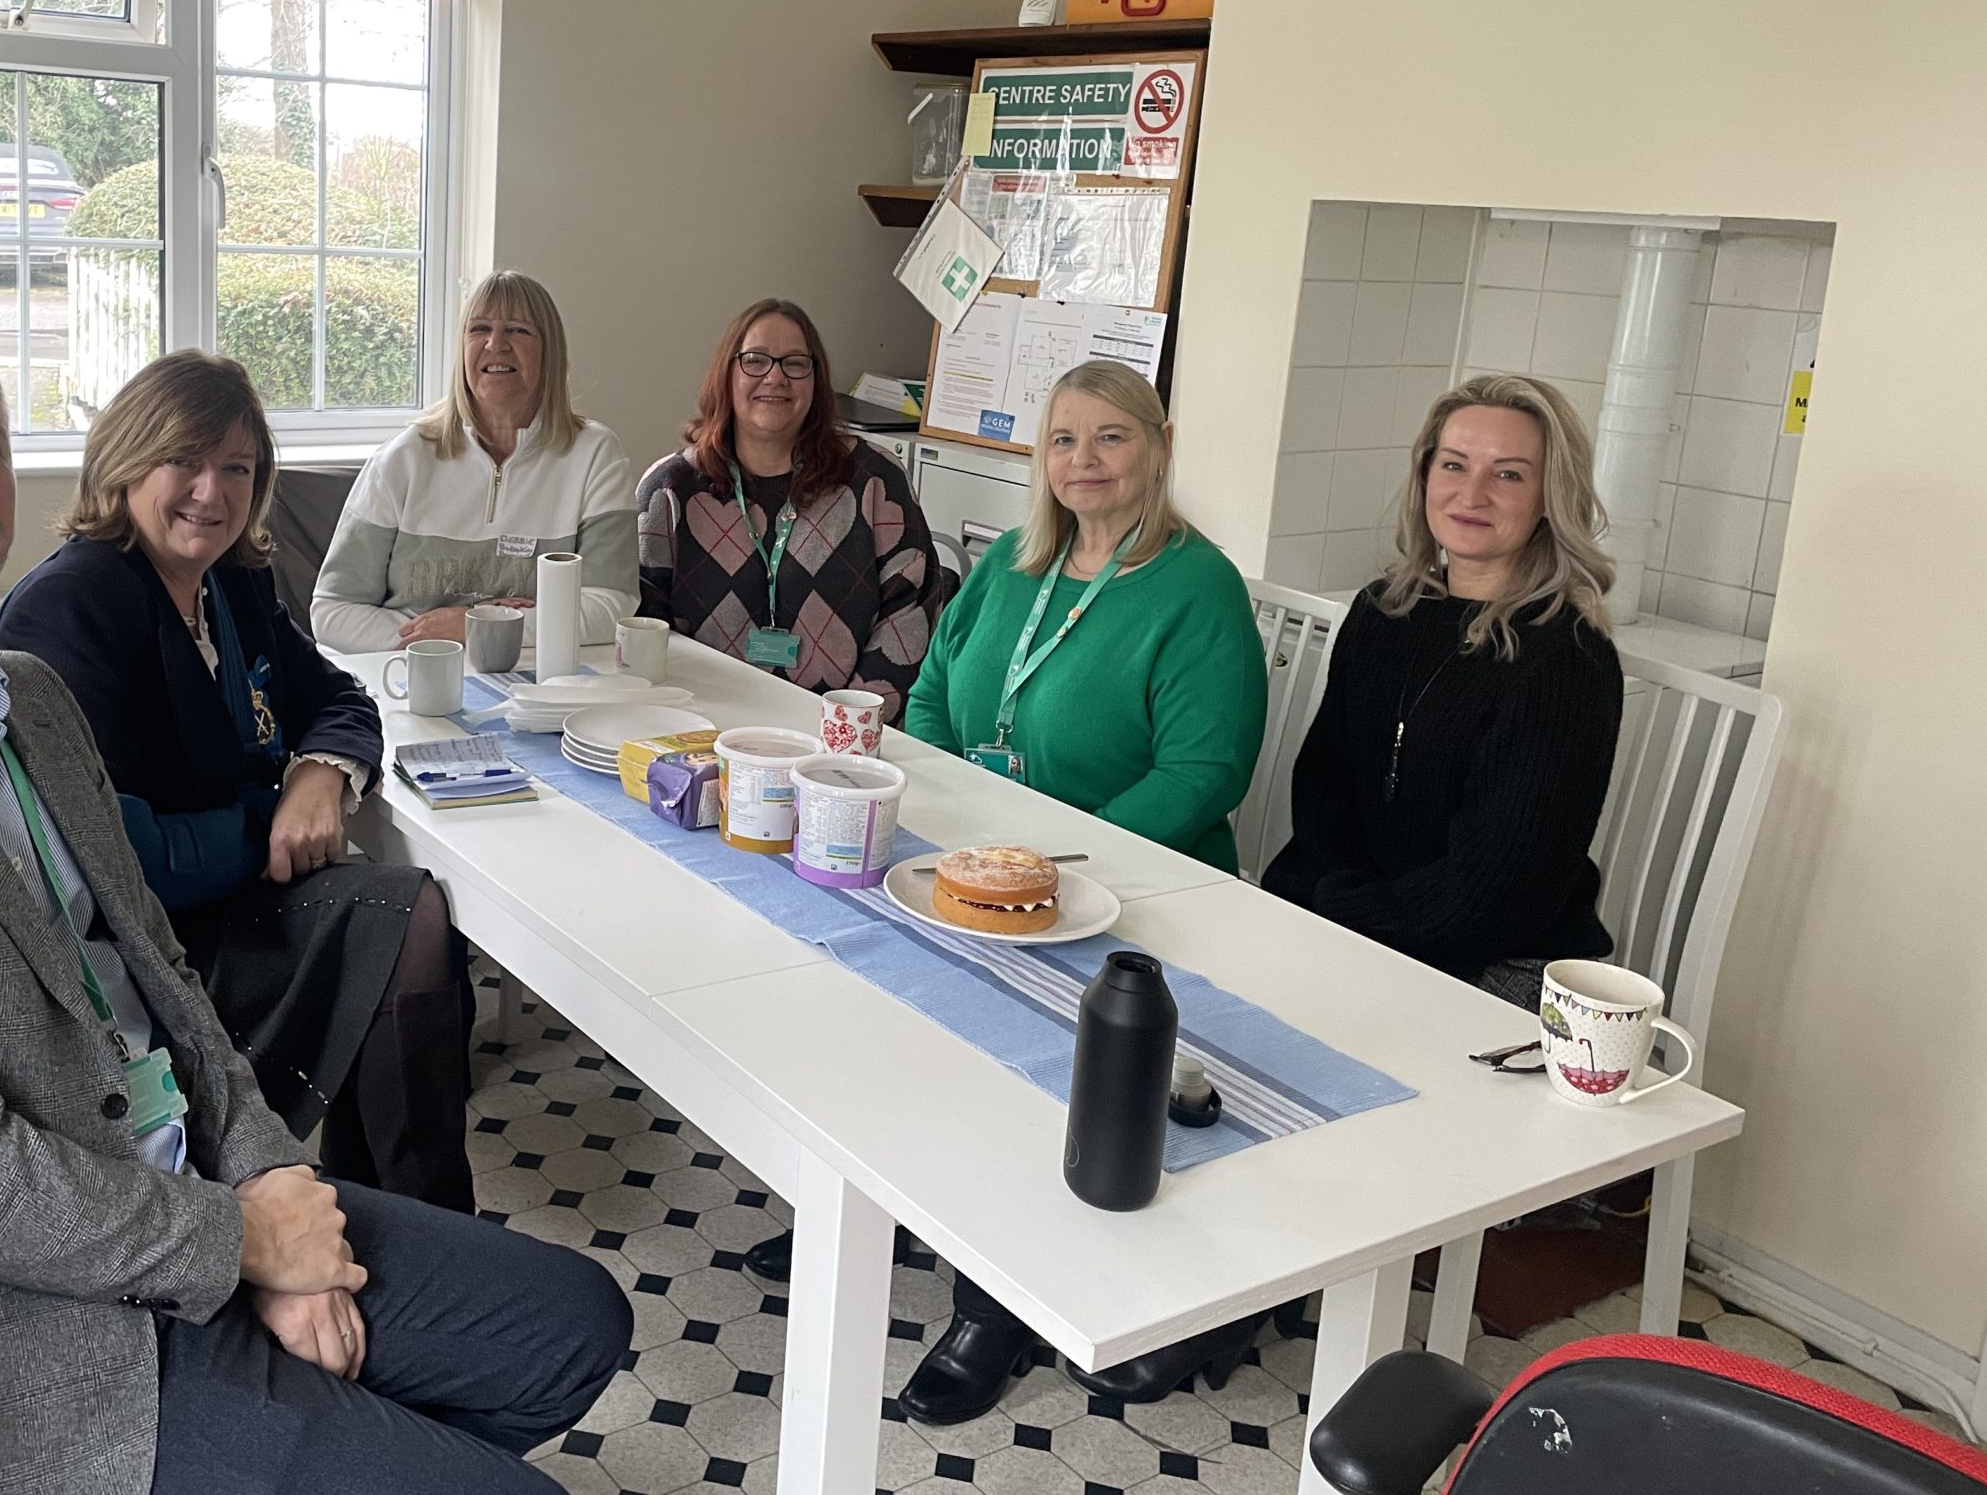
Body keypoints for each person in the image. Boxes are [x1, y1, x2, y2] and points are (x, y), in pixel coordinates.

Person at [0, 310, 626, 1494]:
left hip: (188, 1188)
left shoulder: (31, 703)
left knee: (572, 1321)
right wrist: (247, 1244)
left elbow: (166, 988)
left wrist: (269, 1179)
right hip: (17, 1340)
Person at [0, 350, 475, 1213]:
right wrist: (270, 818)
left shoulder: (232, 584)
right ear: (125, 461)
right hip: (145, 949)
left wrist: (322, 775)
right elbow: (116, 852)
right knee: (402, 920)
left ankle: (393, 1216)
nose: (211, 492)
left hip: (244, 898)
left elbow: (338, 695)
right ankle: (421, 1216)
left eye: (238, 468)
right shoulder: (68, 610)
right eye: (184, 459)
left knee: (408, 919)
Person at [892, 359, 1267, 1425]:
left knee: (1027, 1061)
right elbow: (928, 699)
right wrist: (963, 833)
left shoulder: (1195, 586)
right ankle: (891, 1204)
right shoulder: (1012, 563)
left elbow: (1203, 775)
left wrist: (1054, 869)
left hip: (1134, 896)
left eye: (1111, 438)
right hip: (977, 876)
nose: (1084, 462)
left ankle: (991, 1311)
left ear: (1157, 446)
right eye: (1063, 440)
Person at [1263, 373, 1625, 1008]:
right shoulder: (1383, 613)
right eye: (1454, 464)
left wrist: (1347, 921)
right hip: (1365, 929)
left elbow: (1496, 893)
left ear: (1550, 496)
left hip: (1497, 963)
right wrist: (1326, 904)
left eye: (1509, 474)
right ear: (1425, 476)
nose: (1472, 493)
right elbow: (1323, 791)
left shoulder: (1565, 661)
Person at [636, 297, 944, 716]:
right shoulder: (670, 490)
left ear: (816, 380)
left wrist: (842, 728)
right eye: (755, 360)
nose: (776, 377)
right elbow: (646, 628)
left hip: (839, 738)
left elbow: (909, 617)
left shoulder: (874, 480)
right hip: (701, 726)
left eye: (795, 363)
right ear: (725, 375)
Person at [313, 271, 636, 655]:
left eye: (518, 330)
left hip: (538, 684)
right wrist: (441, 635)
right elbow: (332, 613)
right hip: (409, 681)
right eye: (479, 328)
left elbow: (610, 608)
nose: (495, 344)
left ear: (551, 351)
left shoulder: (595, 454)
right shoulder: (401, 459)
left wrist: (479, 625)